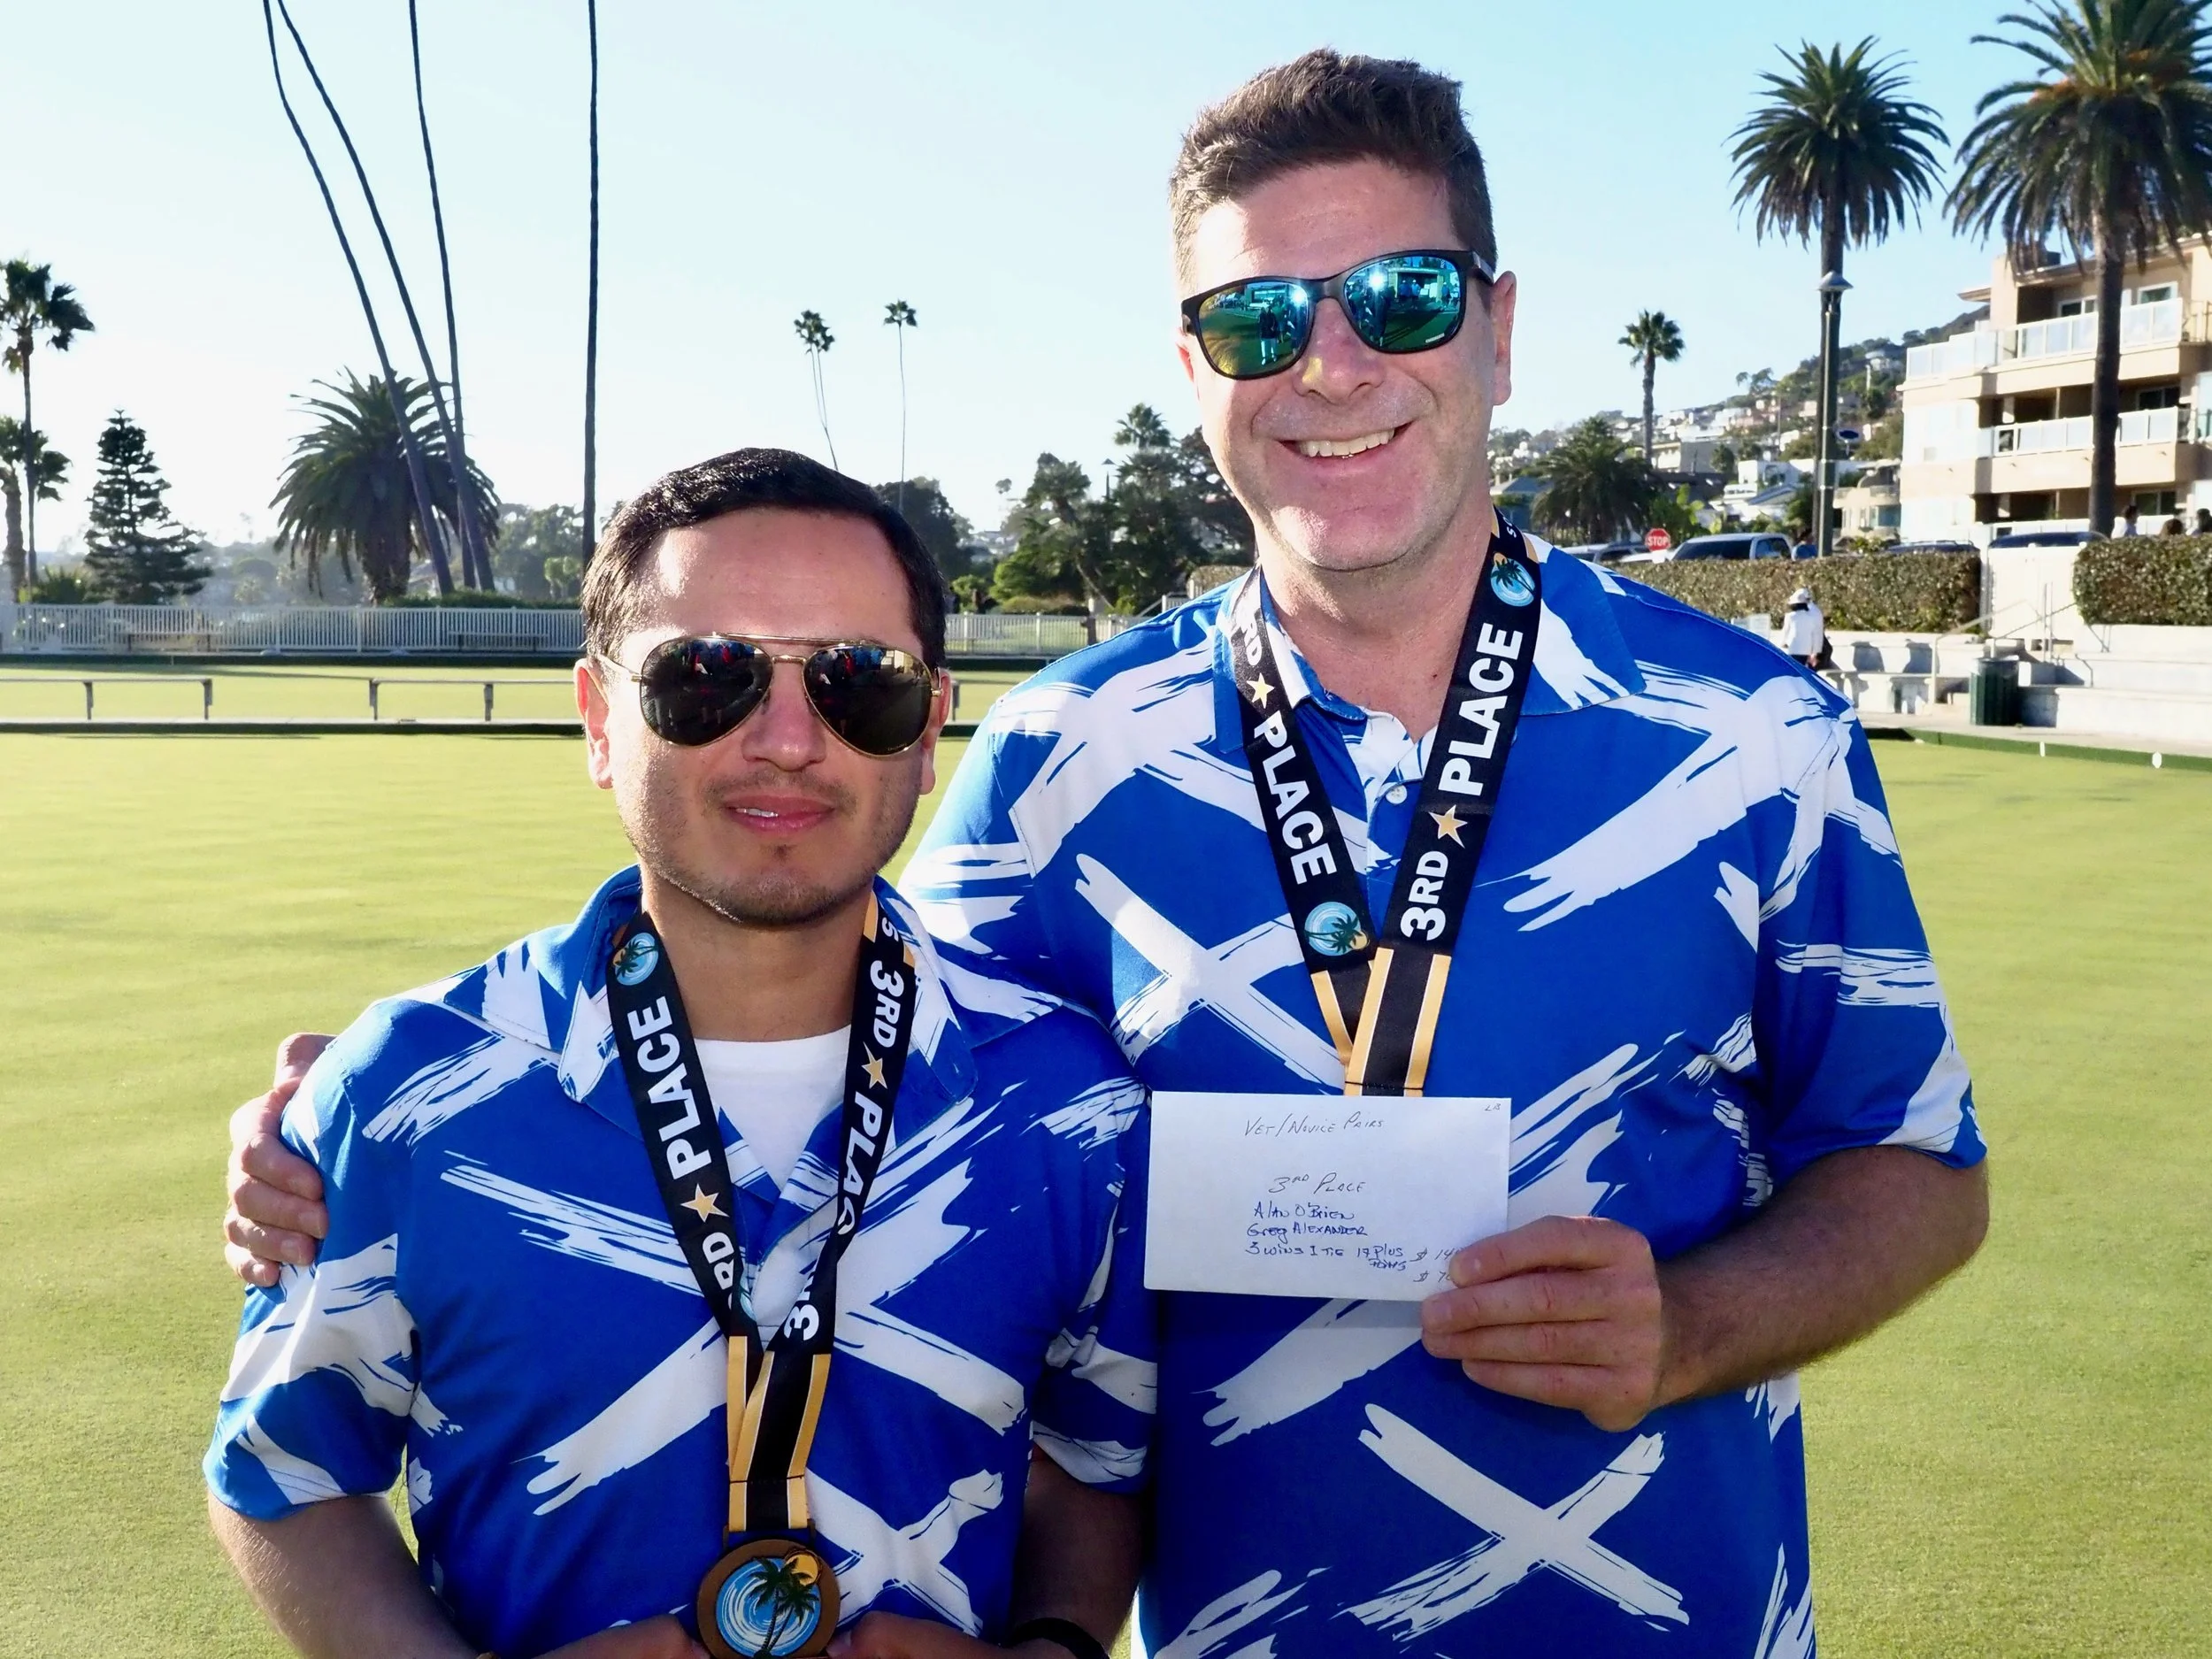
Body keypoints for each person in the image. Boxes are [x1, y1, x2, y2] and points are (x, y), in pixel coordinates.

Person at [231, 50, 1990, 1659]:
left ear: (1497, 327)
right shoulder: (1063, 755)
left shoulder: (1751, 730)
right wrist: (349, 1123)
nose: (1329, 362)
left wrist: (1685, 1326)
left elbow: (1914, 1168)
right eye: (1252, 320)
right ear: (1191, 365)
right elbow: (814, 1016)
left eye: (1398, 295)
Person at [205, 451, 1151, 1659]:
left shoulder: (1067, 1103)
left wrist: (1055, 1648)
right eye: (709, 676)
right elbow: (288, 1476)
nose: (791, 739)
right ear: (601, 719)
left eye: (862, 680)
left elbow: (1100, 1459)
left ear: (928, 729)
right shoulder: (410, 1088)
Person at [1780, 586, 1826, 669]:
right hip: (1807, 649)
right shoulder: (1812, 616)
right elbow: (1816, 634)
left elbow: (1785, 632)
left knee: (1794, 671)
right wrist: (1815, 652)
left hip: (1793, 648)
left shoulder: (1790, 616)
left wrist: (1782, 643)